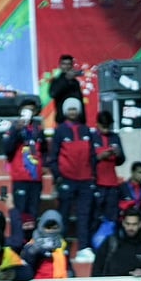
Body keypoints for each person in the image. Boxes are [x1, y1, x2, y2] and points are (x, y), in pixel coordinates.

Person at [48, 96, 96, 260]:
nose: (73, 112)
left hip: (86, 180)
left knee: (84, 215)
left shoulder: (85, 130)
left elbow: (92, 156)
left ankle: (84, 248)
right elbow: (52, 156)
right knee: (64, 214)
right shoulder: (60, 130)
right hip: (66, 179)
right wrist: (58, 177)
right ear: (65, 111)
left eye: (75, 109)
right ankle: (61, 247)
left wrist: (93, 176)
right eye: (70, 109)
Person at [3, 97, 47, 234]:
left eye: (31, 109)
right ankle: (18, 241)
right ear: (20, 111)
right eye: (25, 109)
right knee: (20, 213)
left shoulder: (38, 130)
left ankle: (30, 244)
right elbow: (7, 149)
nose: (28, 112)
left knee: (33, 213)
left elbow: (44, 150)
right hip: (20, 176)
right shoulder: (13, 127)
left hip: (35, 178)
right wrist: (16, 131)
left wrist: (43, 166)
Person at [92, 208, 141, 277]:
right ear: (123, 223)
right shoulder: (111, 241)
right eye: (128, 224)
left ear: (140, 224)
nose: (130, 228)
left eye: (134, 224)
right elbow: (97, 267)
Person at [92, 110, 126, 226]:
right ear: (97, 123)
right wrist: (99, 157)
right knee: (95, 215)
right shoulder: (92, 137)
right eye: (103, 126)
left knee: (112, 216)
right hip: (96, 182)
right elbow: (86, 162)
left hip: (112, 183)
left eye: (108, 126)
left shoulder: (115, 137)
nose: (106, 129)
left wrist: (119, 154)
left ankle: (111, 241)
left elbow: (122, 161)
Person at [20, 210, 75, 280]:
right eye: (48, 228)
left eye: (55, 228)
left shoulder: (63, 244)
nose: (51, 231)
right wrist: (34, 252)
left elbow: (68, 267)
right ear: (41, 226)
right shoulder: (32, 245)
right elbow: (27, 269)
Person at [49, 54, 85, 125]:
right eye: (64, 64)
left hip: (78, 121)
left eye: (69, 64)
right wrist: (66, 79)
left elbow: (80, 101)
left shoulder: (76, 82)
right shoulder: (56, 81)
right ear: (60, 66)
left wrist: (83, 120)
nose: (67, 67)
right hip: (62, 120)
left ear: (72, 66)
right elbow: (52, 94)